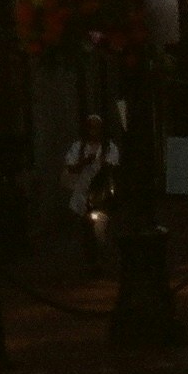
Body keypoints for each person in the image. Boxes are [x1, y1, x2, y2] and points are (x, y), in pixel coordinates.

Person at [63, 113, 119, 274]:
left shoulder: (109, 147)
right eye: (90, 127)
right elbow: (70, 167)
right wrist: (84, 162)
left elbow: (113, 167)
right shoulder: (78, 147)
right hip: (83, 194)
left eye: (96, 127)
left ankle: (102, 258)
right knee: (85, 229)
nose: (93, 131)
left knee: (100, 229)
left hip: (101, 195)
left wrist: (103, 164)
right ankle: (91, 262)